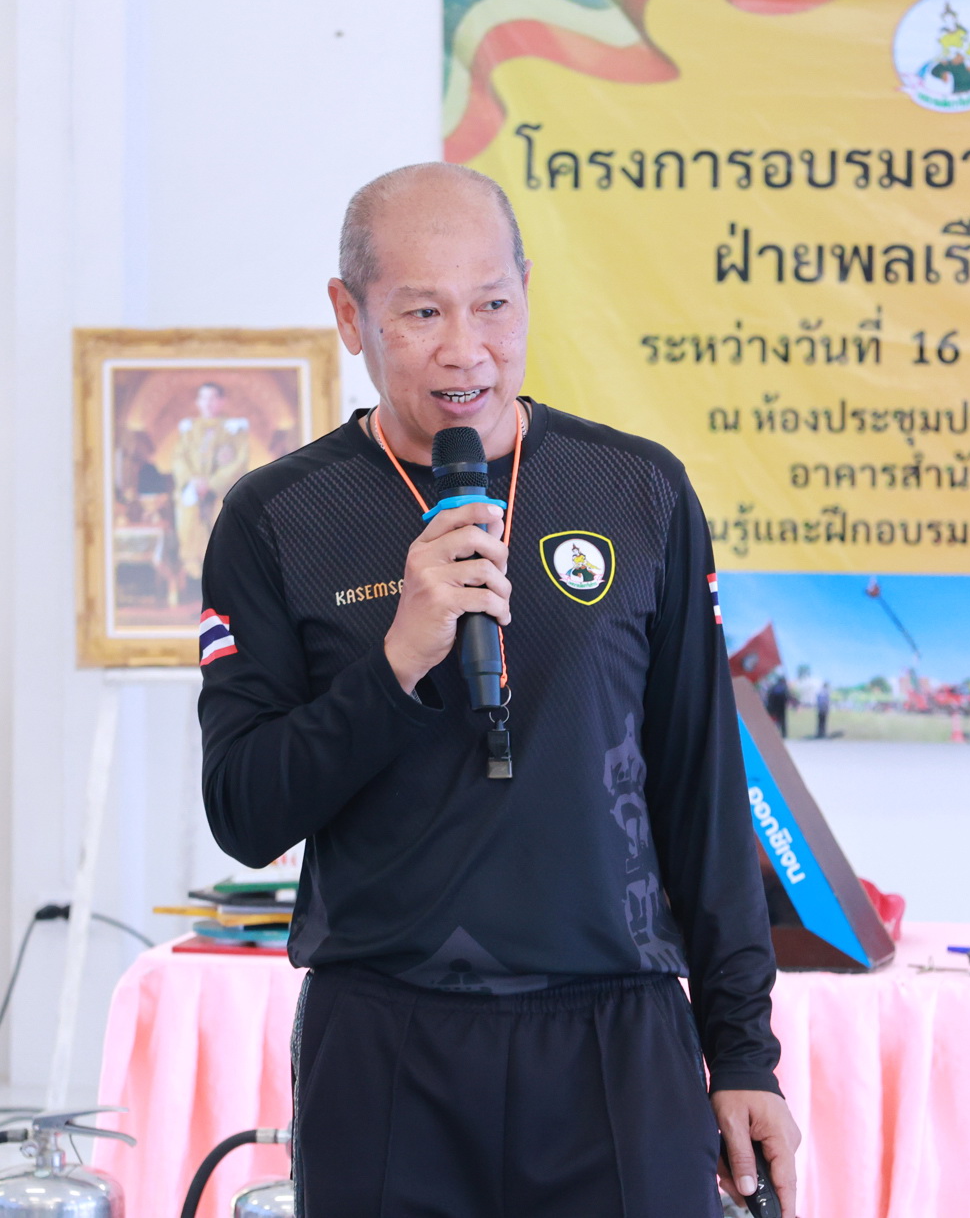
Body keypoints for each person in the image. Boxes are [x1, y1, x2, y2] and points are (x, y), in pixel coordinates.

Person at [198, 163, 797, 1218]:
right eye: (421, 311)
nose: (465, 347)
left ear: (526, 293)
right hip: (386, 1041)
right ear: (349, 315)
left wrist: (743, 1051)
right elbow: (245, 813)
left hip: (615, 1035)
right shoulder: (277, 519)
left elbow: (702, 792)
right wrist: (397, 663)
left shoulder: (639, 492)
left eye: (491, 304)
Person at [171, 381, 250, 598]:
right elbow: (179, 459)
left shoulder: (233, 429)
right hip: (192, 492)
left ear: (222, 401)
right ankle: (194, 581)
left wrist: (212, 484)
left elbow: (240, 461)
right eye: (203, 398)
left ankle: (223, 588)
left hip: (221, 493)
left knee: (223, 535)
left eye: (213, 398)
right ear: (197, 402)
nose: (208, 403)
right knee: (189, 530)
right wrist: (192, 482)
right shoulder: (188, 430)